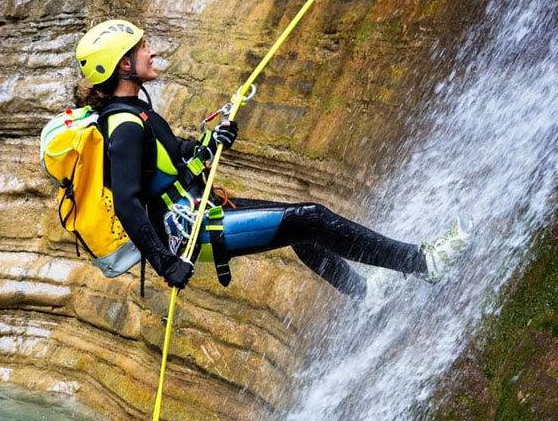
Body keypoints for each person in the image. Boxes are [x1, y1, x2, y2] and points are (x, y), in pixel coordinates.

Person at [73, 19, 466, 296]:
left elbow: (171, 158)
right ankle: (423, 263)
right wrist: (165, 264)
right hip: (188, 231)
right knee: (310, 218)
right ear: (124, 64)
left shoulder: (134, 112)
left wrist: (209, 143)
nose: (151, 50)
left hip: (197, 210)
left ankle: (363, 295)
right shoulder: (124, 125)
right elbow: (126, 200)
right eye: (142, 47)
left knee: (296, 225)